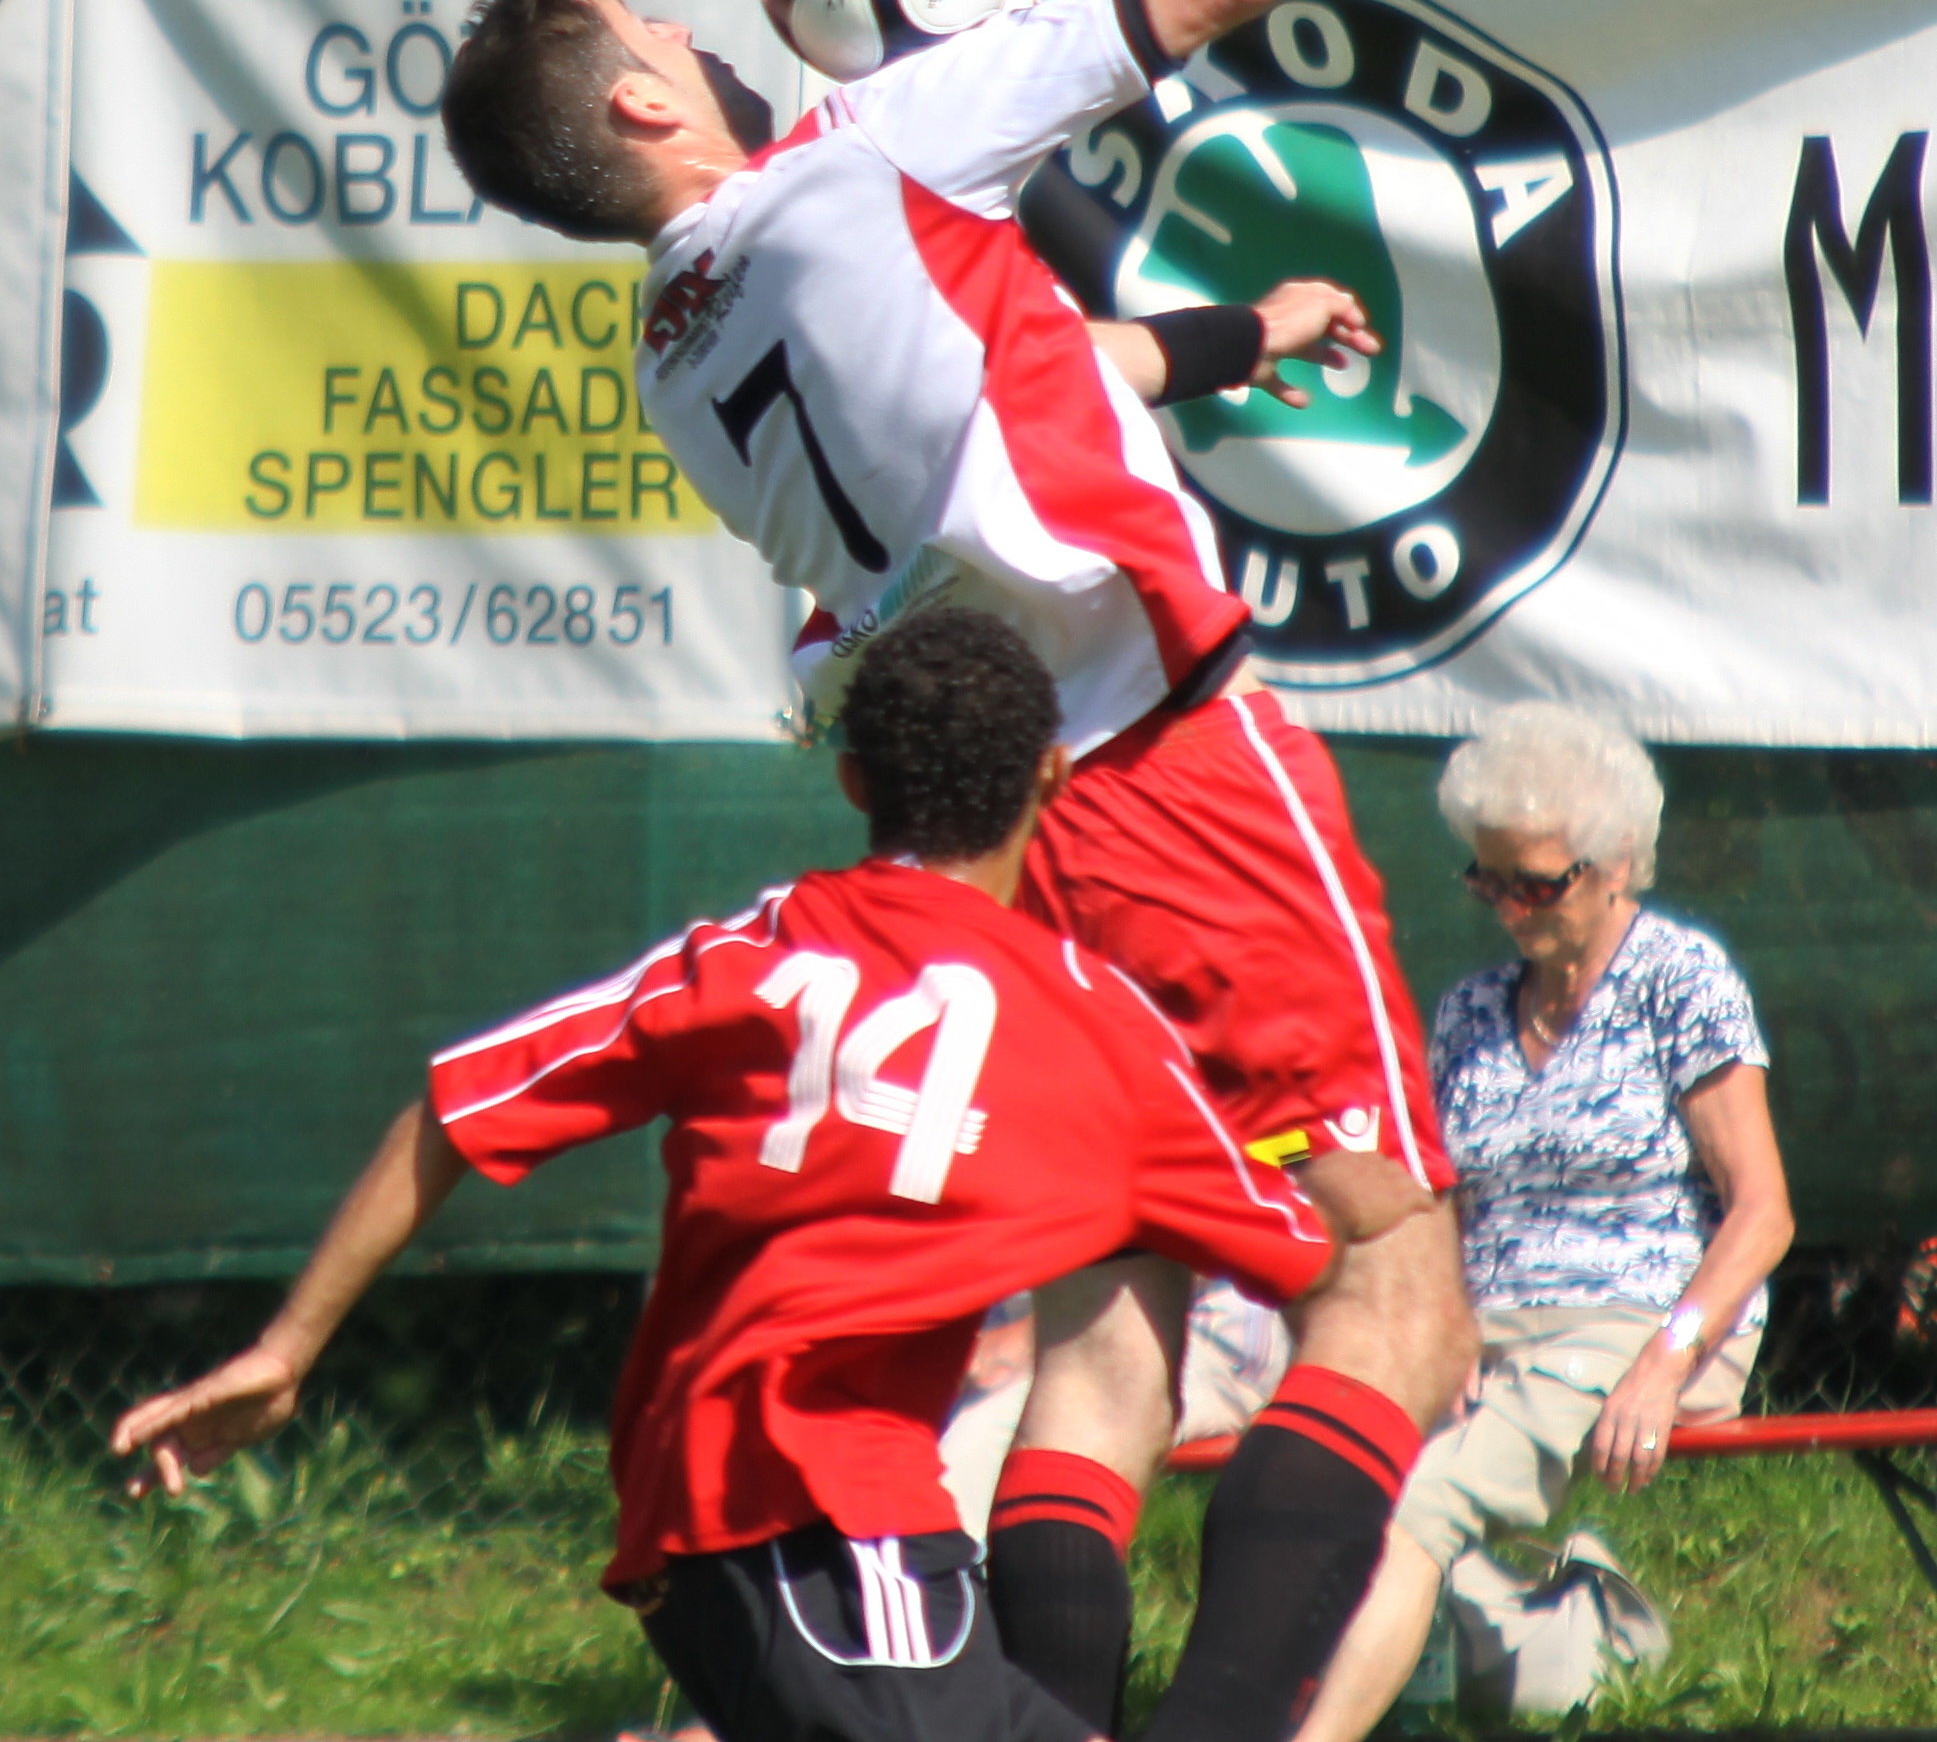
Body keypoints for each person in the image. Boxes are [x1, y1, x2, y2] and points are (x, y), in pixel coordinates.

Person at [439, 0, 1720, 1742]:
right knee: (1392, 1300)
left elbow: (1005, 392)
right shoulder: (868, 151)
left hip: (1001, 845)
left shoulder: (676, 355)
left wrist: (1223, 339)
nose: (692, 29)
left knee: (1111, 1321)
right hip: (1167, 774)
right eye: (656, 30)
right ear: (650, 107)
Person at [107, 610, 1336, 1742]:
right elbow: (1291, 1236)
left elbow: (456, 1106)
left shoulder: (751, 953)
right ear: (1054, 776)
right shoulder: (1094, 1021)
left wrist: (286, 1349)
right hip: (834, 1514)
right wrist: (1293, 1126)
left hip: (692, 1509)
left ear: (853, 782)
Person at [1293, 703, 1794, 1742]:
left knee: (1422, 1505)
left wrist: (1659, 1365)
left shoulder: (1679, 979)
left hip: (1642, 1319)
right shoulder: (1469, 1009)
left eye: (1535, 881)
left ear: (1616, 864)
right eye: (1488, 879)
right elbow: (1436, 1203)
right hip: (1490, 1331)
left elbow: (1762, 1211)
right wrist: (1440, 1330)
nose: (1509, 906)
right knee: (1321, 1470)